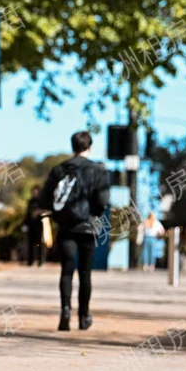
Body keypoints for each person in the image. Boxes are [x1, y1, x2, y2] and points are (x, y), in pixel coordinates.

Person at [40, 131, 111, 331]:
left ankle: (65, 311)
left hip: (66, 226)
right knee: (85, 273)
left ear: (73, 146)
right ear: (90, 146)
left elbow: (45, 199)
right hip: (89, 226)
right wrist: (93, 214)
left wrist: (58, 215)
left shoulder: (59, 170)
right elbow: (102, 201)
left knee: (66, 271)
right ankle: (84, 316)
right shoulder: (99, 170)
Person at [24, 185, 46, 267]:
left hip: (39, 225)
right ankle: (30, 261)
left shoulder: (42, 202)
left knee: (40, 244)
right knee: (30, 244)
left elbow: (46, 212)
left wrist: (38, 213)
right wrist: (25, 224)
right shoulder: (30, 201)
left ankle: (41, 261)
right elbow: (27, 214)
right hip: (31, 225)